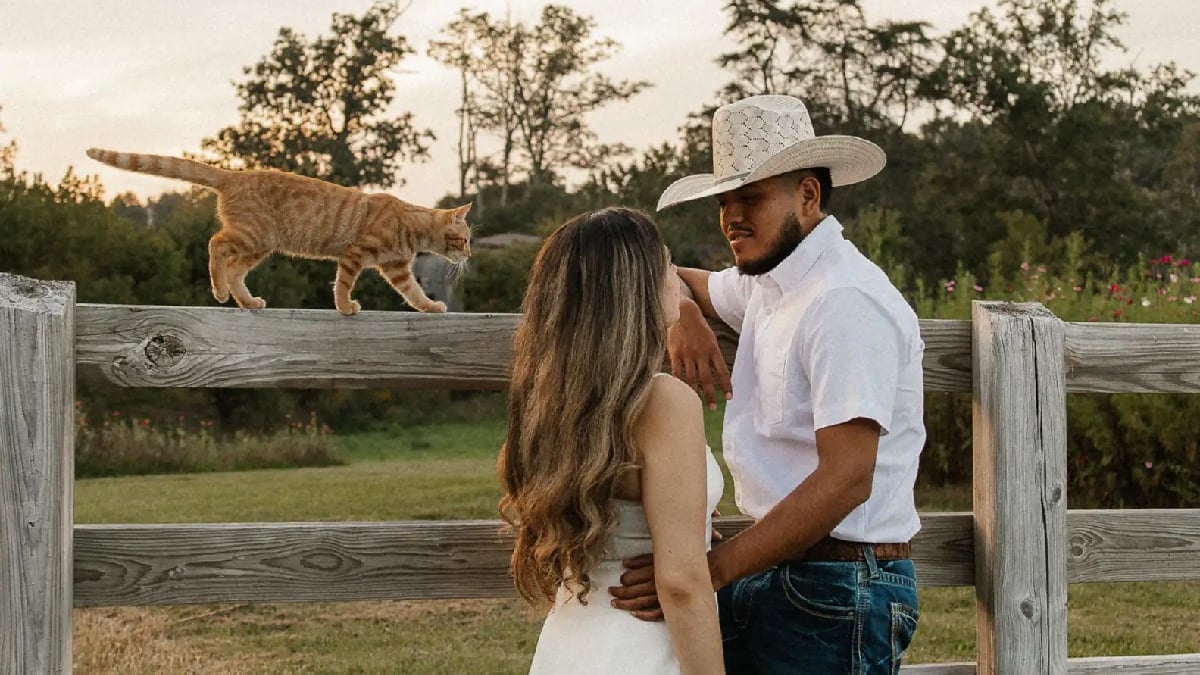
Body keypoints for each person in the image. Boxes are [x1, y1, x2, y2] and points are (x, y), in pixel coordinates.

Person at [609, 94, 925, 674]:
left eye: (750, 198)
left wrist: (712, 570)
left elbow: (847, 480)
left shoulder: (842, 300)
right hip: (787, 571)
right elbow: (667, 273)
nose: (731, 217)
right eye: (724, 201)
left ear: (807, 195)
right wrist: (684, 314)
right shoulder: (771, 284)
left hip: (842, 586)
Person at [499, 207, 726, 675]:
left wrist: (694, 522)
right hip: (643, 648)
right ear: (636, 288)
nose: (676, 278)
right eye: (666, 264)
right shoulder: (663, 401)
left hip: (570, 644)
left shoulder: (552, 400)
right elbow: (682, 584)